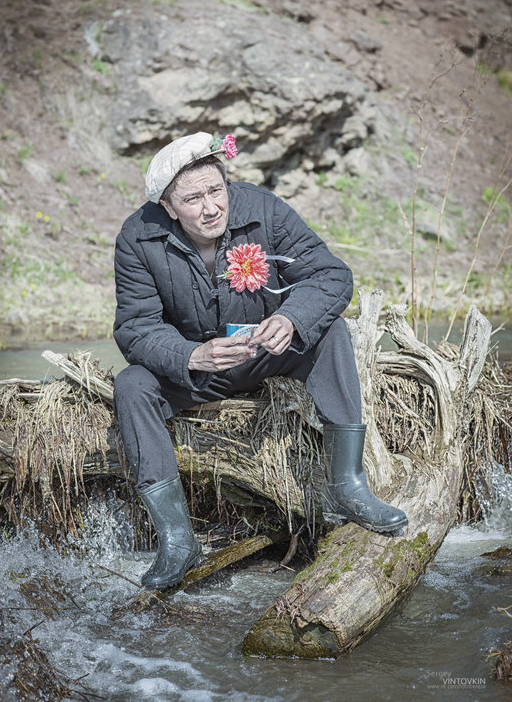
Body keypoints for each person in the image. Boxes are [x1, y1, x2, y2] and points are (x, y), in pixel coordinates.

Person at [113, 132, 407, 591]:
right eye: (193, 199)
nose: (211, 207)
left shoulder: (264, 209)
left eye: (216, 190)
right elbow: (134, 327)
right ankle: (176, 537)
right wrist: (192, 355)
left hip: (265, 355)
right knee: (132, 384)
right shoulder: (138, 237)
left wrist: (290, 318)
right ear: (168, 207)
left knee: (328, 328)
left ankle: (346, 487)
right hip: (196, 373)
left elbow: (331, 275)